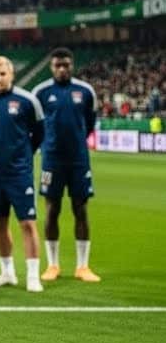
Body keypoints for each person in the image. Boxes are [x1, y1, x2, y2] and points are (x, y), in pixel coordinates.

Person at [0, 56, 45, 292]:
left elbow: (39, 133)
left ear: (11, 74)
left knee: (27, 222)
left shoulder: (27, 101)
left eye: (3, 73)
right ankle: (7, 272)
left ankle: (33, 276)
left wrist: (24, 155)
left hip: (20, 173)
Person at [32, 47, 100, 282]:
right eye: (57, 65)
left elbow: (89, 123)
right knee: (52, 210)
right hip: (51, 159)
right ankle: (53, 265)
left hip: (79, 160)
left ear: (73, 65)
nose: (62, 69)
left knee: (80, 210)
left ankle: (83, 266)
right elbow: (35, 125)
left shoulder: (86, 91)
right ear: (51, 67)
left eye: (66, 65)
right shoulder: (40, 92)